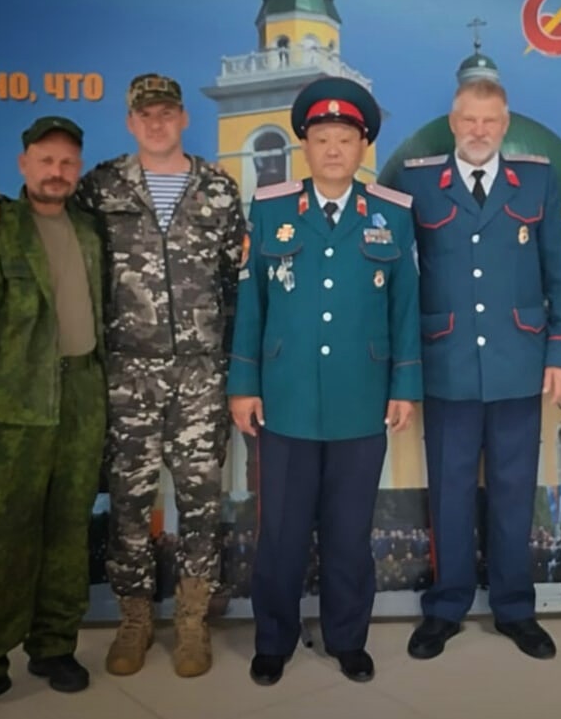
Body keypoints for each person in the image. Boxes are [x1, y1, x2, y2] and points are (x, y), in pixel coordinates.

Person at [0, 74, 246, 678]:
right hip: (126, 377)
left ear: (183, 118)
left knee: (201, 501)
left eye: (166, 112)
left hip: (200, 376)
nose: (156, 123)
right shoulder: (101, 186)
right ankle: (135, 619)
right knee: (128, 504)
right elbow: (45, 215)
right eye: (145, 114)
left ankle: (192, 620)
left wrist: (232, 366)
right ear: (130, 122)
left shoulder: (219, 189)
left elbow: (234, 282)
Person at [227, 76, 421, 686]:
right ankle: (273, 639)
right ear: (304, 146)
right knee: (280, 533)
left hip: (362, 400)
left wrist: (404, 387)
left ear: (362, 146)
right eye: (321, 138)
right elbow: (252, 304)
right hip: (285, 399)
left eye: (344, 139)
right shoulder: (272, 209)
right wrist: (243, 383)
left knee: (349, 532)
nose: (333, 149)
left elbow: (406, 307)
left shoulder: (392, 214)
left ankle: (347, 638)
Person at [393, 76, 561, 661]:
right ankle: (446, 607)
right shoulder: (418, 182)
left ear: (504, 126)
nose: (479, 131)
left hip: (518, 362)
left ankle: (515, 608)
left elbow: (559, 272)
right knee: (449, 493)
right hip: (446, 361)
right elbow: (399, 279)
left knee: (513, 492)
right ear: (454, 123)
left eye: (490, 121)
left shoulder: (538, 181)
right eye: (469, 120)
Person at [0, 117, 106, 719]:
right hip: (15, 406)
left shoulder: (91, 230)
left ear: (77, 170)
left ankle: (54, 648)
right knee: (4, 540)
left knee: (68, 532)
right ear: (23, 164)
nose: (56, 172)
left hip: (82, 400)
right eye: (45, 160)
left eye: (67, 162)